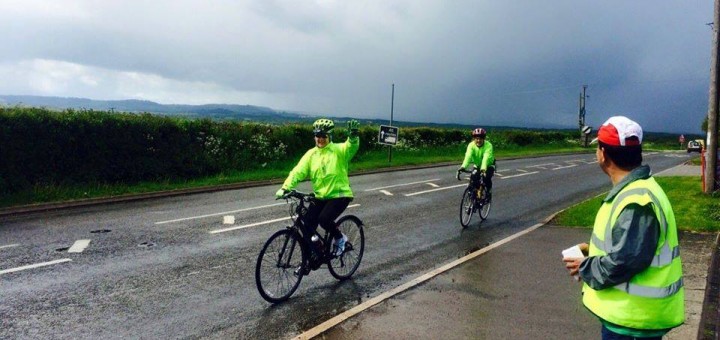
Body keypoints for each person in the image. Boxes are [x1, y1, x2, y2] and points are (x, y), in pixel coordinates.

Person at [563, 116, 684, 339]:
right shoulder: (640, 190)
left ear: (603, 154)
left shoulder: (637, 202)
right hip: (632, 319)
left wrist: (585, 267)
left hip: (632, 321)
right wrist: (593, 250)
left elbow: (625, 261)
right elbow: (631, 247)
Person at [276, 118, 360, 257]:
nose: (320, 139)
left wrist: (353, 137)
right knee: (307, 222)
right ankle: (315, 252)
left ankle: (340, 239)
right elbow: (298, 171)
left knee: (324, 219)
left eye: (323, 136)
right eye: (317, 136)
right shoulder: (311, 154)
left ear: (329, 136)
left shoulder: (339, 150)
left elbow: (351, 147)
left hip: (339, 195)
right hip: (321, 196)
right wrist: (286, 187)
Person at [458, 127, 496, 201]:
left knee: (486, 178)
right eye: (476, 138)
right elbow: (468, 156)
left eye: (480, 138)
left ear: (483, 139)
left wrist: (483, 169)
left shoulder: (488, 145)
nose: (478, 140)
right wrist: (463, 167)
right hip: (477, 165)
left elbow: (486, 158)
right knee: (473, 179)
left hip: (488, 165)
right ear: (474, 138)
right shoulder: (471, 145)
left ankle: (488, 191)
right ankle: (473, 195)